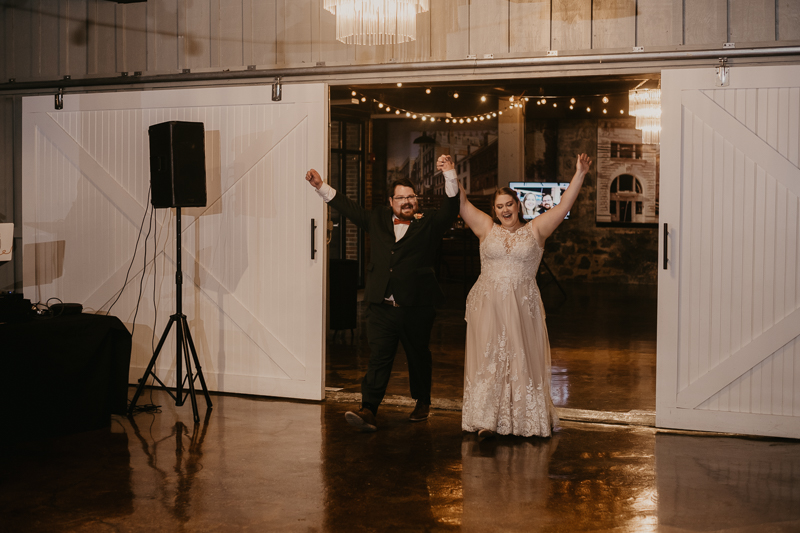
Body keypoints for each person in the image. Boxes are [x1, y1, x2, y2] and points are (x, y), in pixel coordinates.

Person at [305, 160, 460, 431]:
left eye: (410, 197)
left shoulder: (430, 223)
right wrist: (321, 187)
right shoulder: (377, 218)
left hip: (416, 304)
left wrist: (449, 173)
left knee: (418, 356)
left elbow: (451, 207)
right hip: (381, 305)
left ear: (417, 199)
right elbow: (349, 208)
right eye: (400, 197)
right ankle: (368, 409)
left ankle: (423, 402)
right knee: (379, 357)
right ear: (391, 201)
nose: (406, 201)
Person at [450, 153, 592, 438]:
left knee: (520, 359)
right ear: (494, 210)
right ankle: (487, 420)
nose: (505, 210)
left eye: (509, 204)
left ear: (518, 205)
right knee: (490, 359)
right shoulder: (485, 228)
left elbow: (564, 205)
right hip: (487, 306)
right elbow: (461, 202)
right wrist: (450, 173)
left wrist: (580, 174)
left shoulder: (536, 230)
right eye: (499, 206)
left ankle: (522, 418)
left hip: (521, 305)